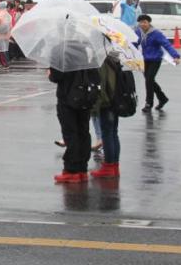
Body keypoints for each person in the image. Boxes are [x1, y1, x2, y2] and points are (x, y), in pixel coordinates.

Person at [48, 47, 101, 184]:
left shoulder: (59, 50)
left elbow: (56, 76)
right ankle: (82, 168)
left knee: (71, 134)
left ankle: (72, 170)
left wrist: (50, 73)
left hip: (67, 97)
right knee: (83, 131)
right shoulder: (83, 49)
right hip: (84, 95)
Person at [135, 14, 180, 111]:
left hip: (155, 59)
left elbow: (167, 44)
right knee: (149, 81)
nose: (143, 24)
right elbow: (134, 43)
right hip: (144, 60)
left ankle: (148, 104)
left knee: (149, 80)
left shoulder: (156, 33)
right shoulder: (138, 32)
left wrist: (175, 56)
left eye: (145, 22)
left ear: (149, 23)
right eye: (141, 22)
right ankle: (162, 98)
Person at [91, 48, 124, 178]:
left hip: (107, 103)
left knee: (107, 134)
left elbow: (104, 85)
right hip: (117, 101)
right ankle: (114, 166)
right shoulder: (117, 58)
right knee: (114, 133)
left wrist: (96, 106)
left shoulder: (104, 61)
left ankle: (109, 166)